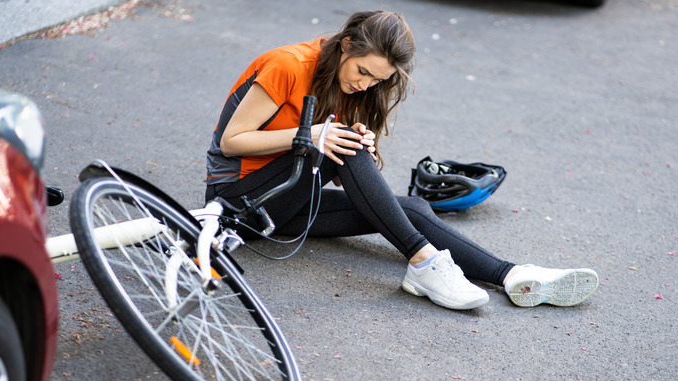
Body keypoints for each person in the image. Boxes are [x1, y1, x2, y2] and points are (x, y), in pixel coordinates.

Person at [205, 11, 598, 310]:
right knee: (338, 146)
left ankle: (512, 275)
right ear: (345, 44)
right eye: (362, 71)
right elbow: (232, 141)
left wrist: (358, 143)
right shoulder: (288, 65)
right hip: (238, 204)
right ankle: (424, 262)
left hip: (288, 205)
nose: (365, 84)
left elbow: (341, 175)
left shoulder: (349, 84)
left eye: (377, 80)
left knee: (411, 207)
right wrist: (316, 136)